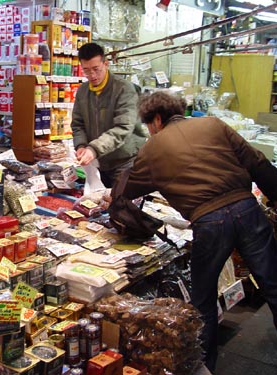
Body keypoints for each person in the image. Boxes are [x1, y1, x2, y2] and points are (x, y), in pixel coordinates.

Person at [119, 91, 277, 372]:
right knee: (273, 284)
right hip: (247, 209)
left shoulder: (151, 149)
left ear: (157, 119)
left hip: (210, 223)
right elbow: (257, 162)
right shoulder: (213, 124)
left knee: (202, 299)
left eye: (149, 126)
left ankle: (204, 366)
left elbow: (129, 189)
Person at [71, 42, 146, 187]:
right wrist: (81, 145)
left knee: (120, 205)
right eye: (86, 71)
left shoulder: (124, 89)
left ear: (106, 64)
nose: (92, 75)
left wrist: (94, 149)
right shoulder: (83, 91)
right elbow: (78, 124)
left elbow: (123, 127)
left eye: (96, 69)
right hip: (98, 163)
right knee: (97, 203)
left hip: (124, 162)